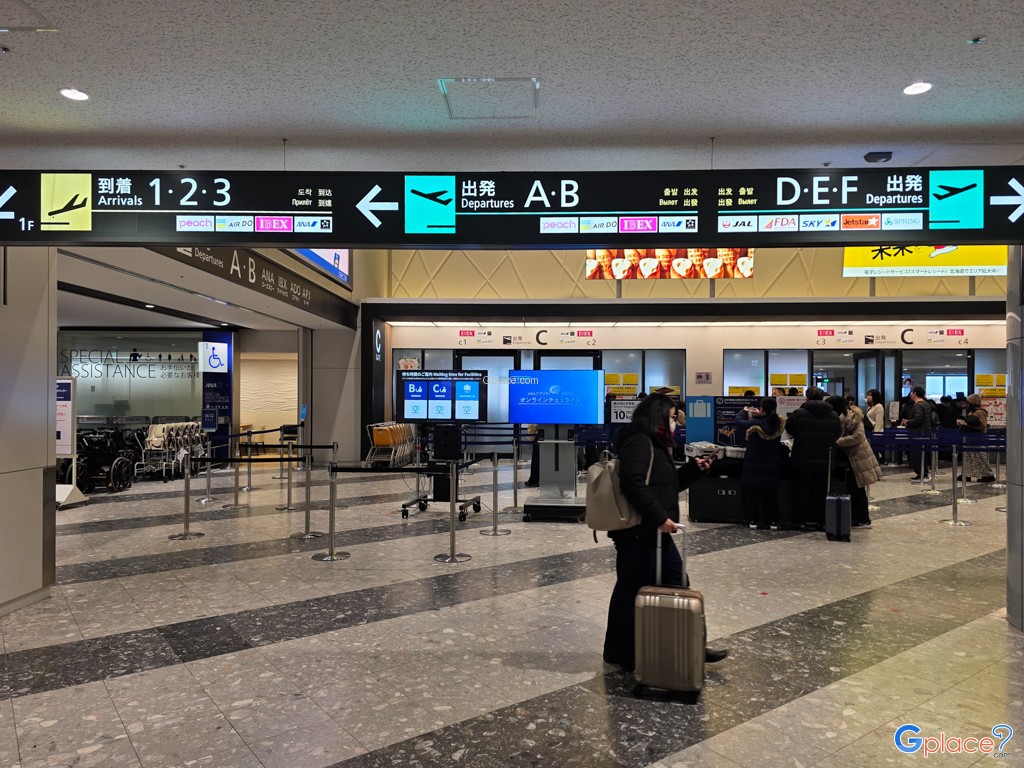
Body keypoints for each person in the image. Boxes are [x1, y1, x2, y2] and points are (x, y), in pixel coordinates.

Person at [602, 393, 728, 672]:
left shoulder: (656, 445)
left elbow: (666, 486)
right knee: (634, 588)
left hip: (650, 529)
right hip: (637, 531)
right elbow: (633, 484)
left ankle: (688, 643)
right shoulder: (639, 442)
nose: (675, 422)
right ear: (658, 415)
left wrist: (695, 470)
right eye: (672, 416)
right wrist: (660, 518)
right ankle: (621, 652)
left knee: (670, 583)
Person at [783, 386, 841, 530]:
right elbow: (837, 434)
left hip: (802, 459)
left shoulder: (799, 413)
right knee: (822, 493)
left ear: (807, 398)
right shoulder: (833, 415)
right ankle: (822, 522)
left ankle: (800, 522)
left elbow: (789, 430)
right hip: (825, 461)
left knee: (801, 492)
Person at [829, 395, 882, 528]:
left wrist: (838, 442)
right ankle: (855, 518)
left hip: (858, 457)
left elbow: (858, 436)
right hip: (851, 457)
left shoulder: (853, 417)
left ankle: (864, 519)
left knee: (857, 488)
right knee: (851, 488)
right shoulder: (842, 417)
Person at [735, 397, 786, 530]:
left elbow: (739, 422)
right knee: (770, 494)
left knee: (752, 494)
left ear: (762, 409)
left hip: (754, 464)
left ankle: (753, 521)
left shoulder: (754, 423)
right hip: (771, 464)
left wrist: (744, 411)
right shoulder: (778, 423)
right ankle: (773, 522)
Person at [957, 393, 995, 482]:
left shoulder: (979, 412)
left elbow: (982, 426)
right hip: (971, 438)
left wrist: (965, 424)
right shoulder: (973, 411)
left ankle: (988, 474)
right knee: (969, 456)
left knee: (980, 457)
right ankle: (966, 474)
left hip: (977, 438)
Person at [901, 386, 933, 482]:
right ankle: (924, 473)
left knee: (917, 455)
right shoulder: (926, 404)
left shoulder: (918, 405)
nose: (911, 395)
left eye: (912, 393)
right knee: (923, 455)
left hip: (918, 433)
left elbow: (918, 419)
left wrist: (907, 422)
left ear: (915, 393)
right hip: (925, 433)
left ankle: (921, 474)